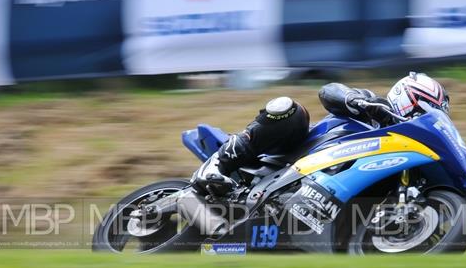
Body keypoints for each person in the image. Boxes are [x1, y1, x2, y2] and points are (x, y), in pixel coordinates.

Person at [191, 72, 450, 196]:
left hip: (326, 190)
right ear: (408, 97)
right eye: (422, 112)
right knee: (291, 110)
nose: (420, 120)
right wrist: (358, 101)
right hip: (291, 158)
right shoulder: (371, 105)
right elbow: (329, 91)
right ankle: (217, 164)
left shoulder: (401, 157)